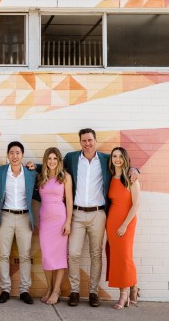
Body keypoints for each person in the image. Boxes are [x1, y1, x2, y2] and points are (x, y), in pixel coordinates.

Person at [62, 128, 138, 308]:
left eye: (90, 140)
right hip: (77, 214)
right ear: (80, 142)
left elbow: (123, 164)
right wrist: (34, 167)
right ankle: (74, 291)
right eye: (84, 140)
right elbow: (54, 166)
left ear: (95, 141)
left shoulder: (106, 159)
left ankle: (93, 292)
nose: (87, 143)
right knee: (73, 253)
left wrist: (135, 169)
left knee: (96, 254)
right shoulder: (71, 158)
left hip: (98, 214)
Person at [0, 141, 38, 305]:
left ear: (22, 155)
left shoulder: (30, 173)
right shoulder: (0, 171)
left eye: (18, 153)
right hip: (5, 216)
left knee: (25, 255)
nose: (14, 156)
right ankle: (5, 289)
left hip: (24, 217)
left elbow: (46, 168)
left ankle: (24, 290)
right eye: (11, 153)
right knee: (3, 254)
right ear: (7, 155)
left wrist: (36, 165)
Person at [36, 147, 73, 305]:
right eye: (49, 158)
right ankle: (49, 288)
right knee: (46, 256)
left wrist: (68, 222)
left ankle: (56, 291)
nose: (52, 161)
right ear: (45, 161)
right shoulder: (41, 177)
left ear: (59, 161)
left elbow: (69, 200)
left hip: (59, 220)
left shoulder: (65, 177)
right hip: (45, 221)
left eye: (55, 158)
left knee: (59, 257)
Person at [105, 147, 141, 309]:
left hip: (127, 222)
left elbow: (136, 204)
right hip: (112, 222)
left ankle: (123, 294)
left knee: (125, 257)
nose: (117, 159)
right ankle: (133, 287)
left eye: (120, 156)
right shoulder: (110, 177)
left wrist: (125, 224)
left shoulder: (131, 178)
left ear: (125, 159)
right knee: (118, 257)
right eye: (114, 156)